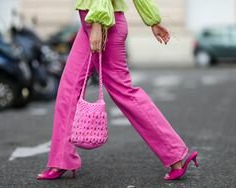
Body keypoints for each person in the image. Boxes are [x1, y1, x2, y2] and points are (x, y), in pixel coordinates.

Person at [36, 0, 199, 181]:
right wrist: (152, 19)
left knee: (124, 92)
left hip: (104, 24)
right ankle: (61, 160)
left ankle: (175, 154)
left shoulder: (100, 21)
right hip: (91, 23)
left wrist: (98, 23)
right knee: (69, 87)